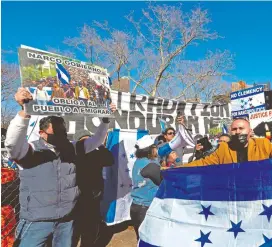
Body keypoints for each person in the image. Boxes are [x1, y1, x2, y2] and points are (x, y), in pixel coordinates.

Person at [5, 88, 115, 247]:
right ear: (42, 133)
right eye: (55, 130)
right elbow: (12, 143)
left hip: (65, 220)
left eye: (63, 129)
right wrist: (25, 111)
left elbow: (96, 141)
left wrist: (105, 120)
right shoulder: (29, 151)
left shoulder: (71, 148)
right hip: (36, 221)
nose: (61, 133)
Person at [181, 118, 272, 167]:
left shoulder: (262, 145)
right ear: (230, 132)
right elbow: (203, 163)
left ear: (250, 132)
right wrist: (175, 169)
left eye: (241, 128)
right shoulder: (223, 149)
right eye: (234, 129)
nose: (238, 132)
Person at [72, 130, 114, 247]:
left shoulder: (97, 154)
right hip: (75, 196)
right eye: (84, 141)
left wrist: (99, 145)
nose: (87, 143)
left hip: (93, 196)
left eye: (90, 140)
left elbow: (110, 160)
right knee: (73, 229)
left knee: (90, 227)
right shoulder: (73, 153)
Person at [130, 135, 161, 240]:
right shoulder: (151, 165)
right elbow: (162, 182)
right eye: (155, 147)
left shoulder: (139, 162)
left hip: (136, 206)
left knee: (141, 239)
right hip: (145, 208)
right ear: (151, 149)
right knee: (148, 240)